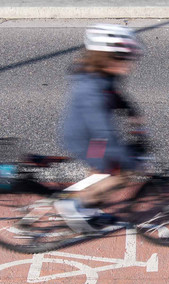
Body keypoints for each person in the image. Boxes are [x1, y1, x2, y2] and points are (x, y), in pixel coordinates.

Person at [54, 24, 146, 233]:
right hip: (86, 140)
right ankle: (72, 205)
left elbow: (115, 95)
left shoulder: (101, 75)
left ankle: (88, 208)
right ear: (103, 57)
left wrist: (131, 112)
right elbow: (105, 136)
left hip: (90, 135)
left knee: (102, 173)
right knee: (120, 175)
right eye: (122, 58)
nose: (129, 65)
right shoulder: (91, 91)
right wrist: (131, 161)